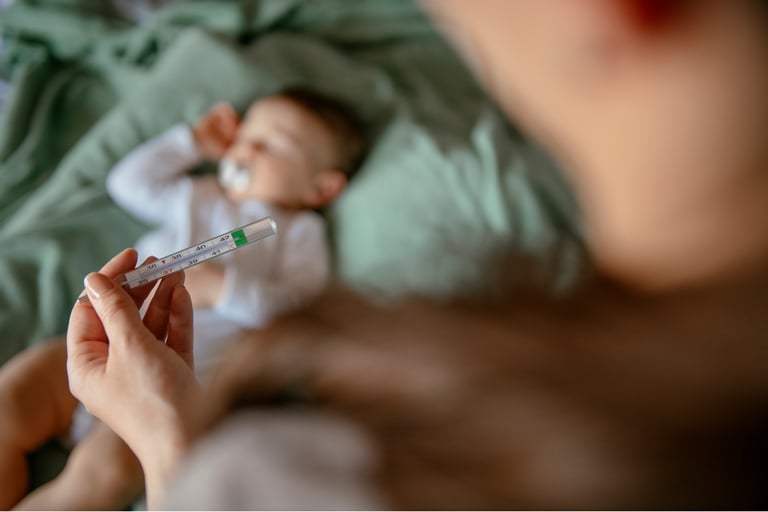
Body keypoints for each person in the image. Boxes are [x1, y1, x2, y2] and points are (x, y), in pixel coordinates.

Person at [57, 0, 768, 508]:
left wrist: (164, 438)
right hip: (141, 348)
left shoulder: (303, 268)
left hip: (175, 358)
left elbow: (285, 305)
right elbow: (135, 181)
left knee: (87, 472)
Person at [0, 87, 365, 510]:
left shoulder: (298, 232)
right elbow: (126, 183)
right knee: (11, 398)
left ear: (321, 188)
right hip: (104, 347)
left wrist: (224, 290)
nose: (247, 148)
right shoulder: (198, 193)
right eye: (246, 135)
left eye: (272, 145)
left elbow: (301, 309)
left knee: (99, 472)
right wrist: (191, 142)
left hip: (173, 390)